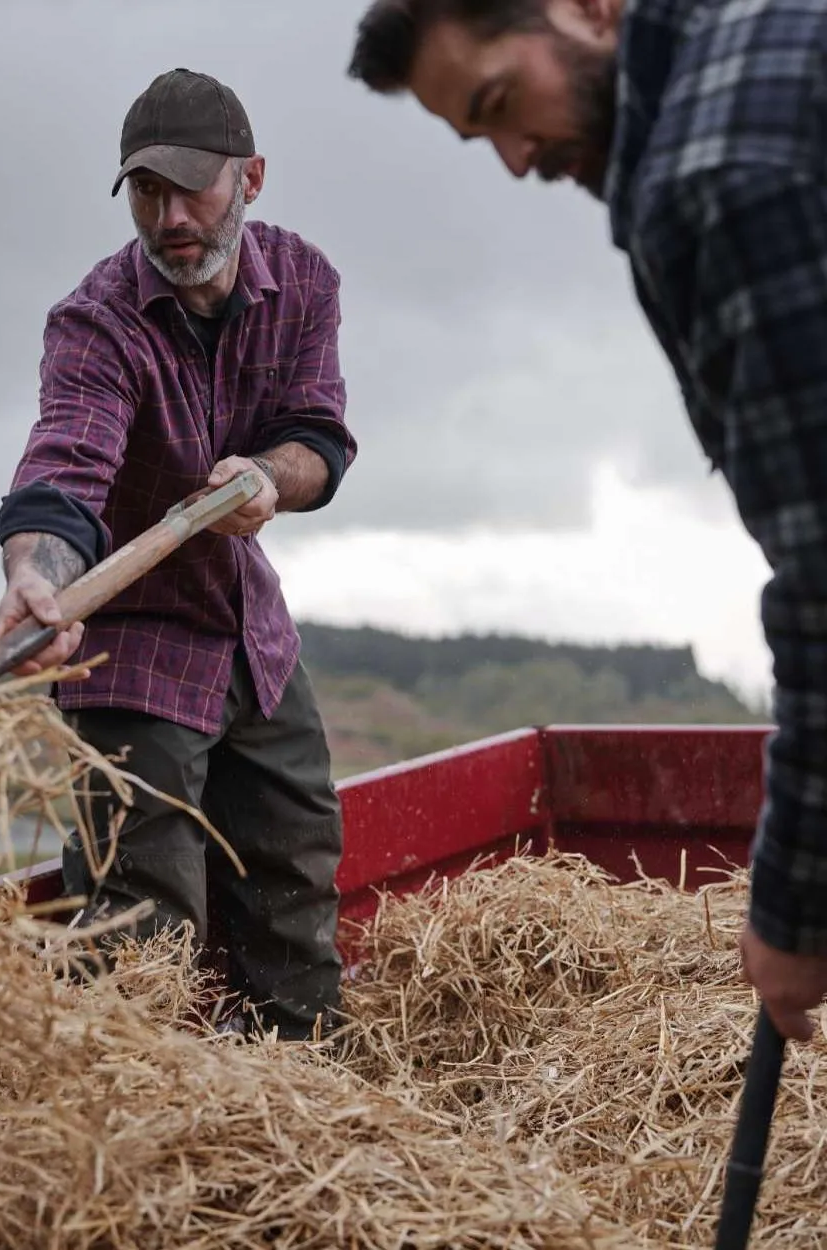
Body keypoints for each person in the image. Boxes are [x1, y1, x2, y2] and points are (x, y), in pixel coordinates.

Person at [346, 0, 827, 1043]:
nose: (517, 159)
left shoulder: (713, 181)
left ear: (585, 9)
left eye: (501, 103)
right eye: (483, 140)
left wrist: (792, 908)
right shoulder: (777, 29)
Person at [0, 67, 357, 1041]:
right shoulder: (98, 320)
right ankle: (139, 1139)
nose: (170, 215)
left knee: (296, 874)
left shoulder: (305, 282)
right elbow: (66, 465)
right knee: (140, 934)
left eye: (192, 186)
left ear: (252, 178)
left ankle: (307, 1109)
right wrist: (38, 572)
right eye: (147, 191)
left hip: (252, 639)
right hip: (134, 652)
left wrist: (267, 477)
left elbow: (320, 442)